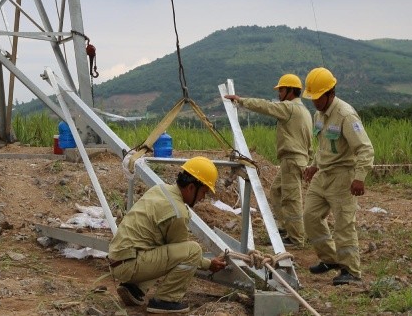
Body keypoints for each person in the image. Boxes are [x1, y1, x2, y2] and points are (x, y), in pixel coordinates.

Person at [107, 156, 227, 314]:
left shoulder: (160, 189)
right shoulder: (177, 212)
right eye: (203, 192)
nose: (202, 198)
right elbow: (182, 252)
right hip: (130, 265)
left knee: (158, 245)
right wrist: (208, 264)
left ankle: (134, 288)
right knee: (193, 250)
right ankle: (165, 300)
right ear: (191, 187)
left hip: (118, 259)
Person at [301, 67, 374, 286]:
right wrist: (314, 166)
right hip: (323, 175)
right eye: (311, 97)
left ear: (330, 93)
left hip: (343, 176)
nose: (314, 102)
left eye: (317, 97)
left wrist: (359, 177)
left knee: (343, 224)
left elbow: (365, 148)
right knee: (310, 217)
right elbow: (323, 146)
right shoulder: (318, 114)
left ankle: (351, 271)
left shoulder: (345, 114)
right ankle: (329, 258)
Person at [224, 73, 313, 247]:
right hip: (296, 159)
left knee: (291, 199)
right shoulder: (304, 111)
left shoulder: (289, 108)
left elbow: (265, 106)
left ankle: (296, 238)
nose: (279, 94)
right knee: (276, 192)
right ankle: (287, 228)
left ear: (289, 91)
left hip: (292, 159)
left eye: (281, 90)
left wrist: (241, 100)